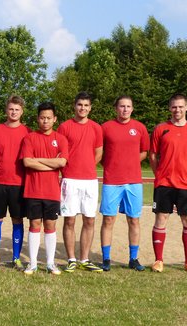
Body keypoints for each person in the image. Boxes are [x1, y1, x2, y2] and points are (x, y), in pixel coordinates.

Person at [149, 93, 187, 274]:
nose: (177, 110)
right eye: (174, 107)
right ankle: (158, 260)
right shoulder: (160, 129)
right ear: (169, 108)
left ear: (186, 107)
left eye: (181, 106)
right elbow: (152, 155)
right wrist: (158, 174)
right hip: (164, 183)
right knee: (161, 219)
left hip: (186, 185)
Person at [99, 96, 149, 272]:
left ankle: (133, 259)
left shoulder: (140, 128)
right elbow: (99, 152)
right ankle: (106, 259)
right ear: (116, 108)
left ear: (132, 109)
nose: (125, 109)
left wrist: (130, 163)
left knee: (133, 220)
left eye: (128, 106)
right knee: (108, 219)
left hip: (134, 181)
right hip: (112, 181)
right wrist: (112, 164)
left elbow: (144, 152)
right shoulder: (106, 127)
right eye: (122, 106)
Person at [58, 91, 104, 273]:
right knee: (69, 220)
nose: (82, 108)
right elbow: (60, 152)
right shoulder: (64, 127)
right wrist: (72, 168)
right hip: (70, 180)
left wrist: (86, 167)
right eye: (80, 105)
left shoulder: (96, 128)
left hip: (90, 181)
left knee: (89, 220)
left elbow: (99, 152)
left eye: (86, 105)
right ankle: (71, 259)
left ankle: (84, 259)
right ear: (74, 106)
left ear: (90, 108)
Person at [20, 102, 68, 275]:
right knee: (34, 224)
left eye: (48, 118)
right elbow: (27, 162)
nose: (45, 121)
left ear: (54, 119)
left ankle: (50, 263)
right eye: (42, 118)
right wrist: (51, 164)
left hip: (51, 191)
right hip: (33, 190)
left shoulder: (61, 139)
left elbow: (62, 162)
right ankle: (32, 264)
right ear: (37, 118)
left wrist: (38, 160)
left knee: (50, 225)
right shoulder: (30, 138)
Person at [0, 95, 30, 271]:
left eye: (17, 109)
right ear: (6, 110)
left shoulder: (28, 132)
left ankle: (16, 258)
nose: (14, 112)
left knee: (17, 219)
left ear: (22, 111)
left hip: (19, 183)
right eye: (11, 109)